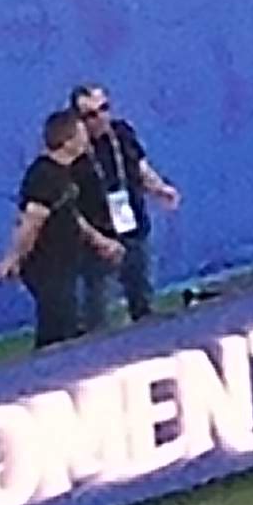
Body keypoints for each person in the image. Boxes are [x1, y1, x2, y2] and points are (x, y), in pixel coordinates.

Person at [0, 107, 118, 349]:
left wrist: (99, 240)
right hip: (48, 268)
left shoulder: (65, 174)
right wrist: (12, 259)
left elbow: (71, 215)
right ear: (67, 141)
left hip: (66, 264)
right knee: (57, 329)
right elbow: (30, 223)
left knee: (70, 323)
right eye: (81, 134)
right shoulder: (43, 175)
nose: (86, 139)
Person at [70, 82, 180, 326]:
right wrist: (95, 238)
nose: (100, 118)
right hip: (99, 237)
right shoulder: (73, 150)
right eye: (90, 115)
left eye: (104, 109)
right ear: (78, 119)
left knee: (143, 300)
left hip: (132, 225)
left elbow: (140, 167)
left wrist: (160, 188)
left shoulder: (122, 133)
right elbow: (69, 205)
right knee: (97, 313)